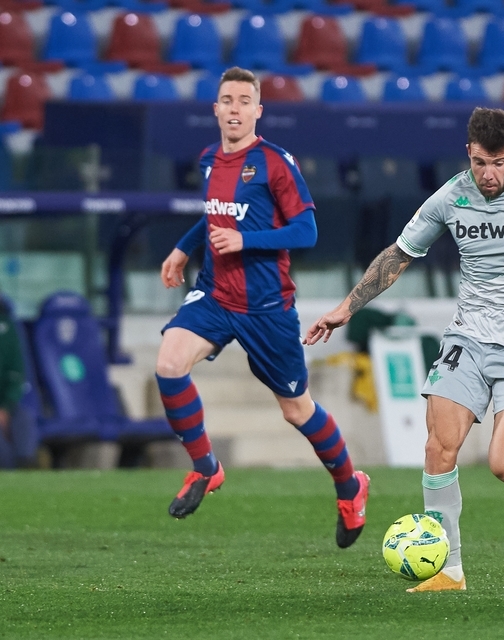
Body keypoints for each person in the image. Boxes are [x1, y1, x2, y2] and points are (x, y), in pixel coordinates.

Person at [305, 107, 504, 592]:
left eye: (499, 162)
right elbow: (399, 255)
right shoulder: (452, 196)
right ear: (468, 154)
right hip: (468, 340)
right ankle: (449, 570)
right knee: (439, 448)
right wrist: (346, 308)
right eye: (480, 162)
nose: (488, 174)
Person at [156, 67, 369, 548]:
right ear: (215, 109)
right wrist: (184, 247)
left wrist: (245, 241)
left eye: (243, 101)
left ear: (257, 110)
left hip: (267, 307)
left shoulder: (274, 162)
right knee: (169, 363)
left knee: (297, 411)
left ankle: (349, 487)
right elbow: (215, 216)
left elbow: (307, 230)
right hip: (215, 294)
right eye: (226, 100)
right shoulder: (209, 158)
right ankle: (205, 467)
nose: (234, 108)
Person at [0, 295, 37, 469]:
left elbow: (16, 373)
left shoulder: (6, 325)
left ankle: (25, 472)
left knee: (24, 419)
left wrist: (5, 408)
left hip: (4, 404)